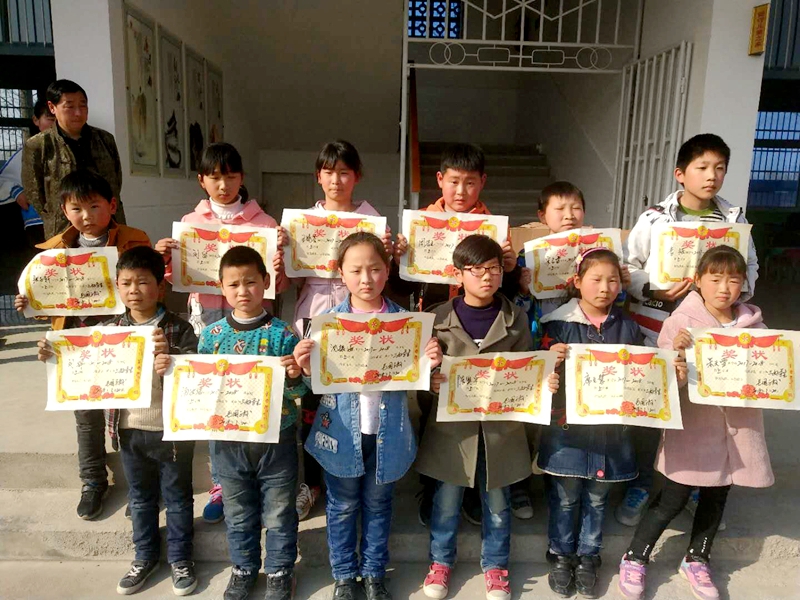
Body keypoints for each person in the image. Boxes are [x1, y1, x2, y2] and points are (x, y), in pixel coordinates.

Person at [36, 246, 199, 595]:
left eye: (143, 282)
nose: (133, 290)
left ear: (161, 287)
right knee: (139, 499)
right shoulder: (108, 331)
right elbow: (80, 361)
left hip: (171, 430)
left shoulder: (179, 328)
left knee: (178, 499)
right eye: (125, 283)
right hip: (127, 430)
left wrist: (172, 358)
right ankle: (144, 556)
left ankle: (180, 558)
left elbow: (196, 371)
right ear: (117, 287)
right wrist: (54, 353)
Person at [617, 246, 774, 600]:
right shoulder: (680, 322)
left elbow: (771, 376)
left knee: (717, 497)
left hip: (738, 431)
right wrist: (676, 353)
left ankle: (697, 558)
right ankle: (635, 556)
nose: (724, 288)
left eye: (733, 280)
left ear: (744, 283)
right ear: (698, 281)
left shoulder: (756, 327)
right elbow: (662, 382)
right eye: (715, 279)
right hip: (694, 429)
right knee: (671, 498)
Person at [293, 232, 441, 600]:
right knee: (342, 506)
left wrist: (431, 361)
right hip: (341, 432)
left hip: (389, 432)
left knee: (378, 504)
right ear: (340, 273)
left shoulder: (407, 324)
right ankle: (345, 575)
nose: (366, 279)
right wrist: (305, 366)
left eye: (375, 269)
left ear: (387, 270)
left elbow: (421, 376)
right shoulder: (326, 323)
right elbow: (314, 382)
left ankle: (374, 572)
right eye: (356, 270)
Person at [623, 133, 758, 528]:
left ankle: (696, 484)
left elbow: (750, 266)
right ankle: (643, 485)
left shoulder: (734, 220)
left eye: (719, 168)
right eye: (702, 167)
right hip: (658, 326)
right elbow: (628, 266)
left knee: (702, 410)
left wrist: (731, 292)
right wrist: (654, 288)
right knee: (655, 405)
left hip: (713, 334)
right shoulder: (655, 218)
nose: (711, 176)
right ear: (680, 174)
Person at [416, 235, 558, 600]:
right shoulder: (437, 318)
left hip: (501, 431)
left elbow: (526, 371)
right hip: (452, 432)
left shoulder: (515, 318)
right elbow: (420, 376)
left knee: (497, 503)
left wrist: (543, 382)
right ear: (458, 275)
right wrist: (430, 381)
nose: (486, 276)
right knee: (446, 501)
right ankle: (440, 562)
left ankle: (495, 566)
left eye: (494, 268)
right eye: (476, 269)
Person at [537, 248, 684, 598]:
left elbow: (646, 371)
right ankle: (561, 554)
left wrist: (673, 370)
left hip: (612, 433)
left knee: (598, 498)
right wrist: (548, 361)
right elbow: (535, 374)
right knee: (566, 497)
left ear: (622, 284)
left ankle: (589, 555)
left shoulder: (628, 327)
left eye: (613, 280)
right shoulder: (556, 325)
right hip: (567, 432)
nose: (605, 288)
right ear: (577, 282)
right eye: (596, 280)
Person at [156, 142, 288, 524]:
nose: (223, 185)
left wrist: (283, 261)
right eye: (214, 177)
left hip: (255, 324)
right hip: (208, 321)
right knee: (215, 396)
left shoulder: (265, 225)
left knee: (252, 392)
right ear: (202, 180)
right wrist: (165, 258)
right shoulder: (190, 222)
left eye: (230, 176)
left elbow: (276, 283)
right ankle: (221, 482)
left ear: (241, 177)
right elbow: (176, 279)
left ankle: (259, 476)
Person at [391, 143, 518, 528]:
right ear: (439, 180)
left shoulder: (495, 229)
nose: (461, 191)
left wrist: (510, 266)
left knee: (479, 413)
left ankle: (474, 491)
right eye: (454, 182)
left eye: (470, 183)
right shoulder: (421, 225)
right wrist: (398, 258)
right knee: (432, 408)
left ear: (483, 183)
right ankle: (433, 485)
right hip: (438, 326)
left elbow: (507, 288)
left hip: (482, 331)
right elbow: (400, 285)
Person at [15, 169, 150, 520]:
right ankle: (92, 481)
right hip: (76, 346)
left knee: (129, 414)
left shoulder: (134, 241)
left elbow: (149, 285)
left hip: (122, 340)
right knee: (86, 418)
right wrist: (30, 303)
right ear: (64, 210)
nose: (86, 216)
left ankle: (140, 485)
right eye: (76, 208)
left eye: (94, 206)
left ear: (112, 205)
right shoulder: (54, 250)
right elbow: (48, 302)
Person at [279, 140, 392, 523]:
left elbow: (384, 274)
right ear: (318, 176)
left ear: (357, 176)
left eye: (344, 172)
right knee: (315, 401)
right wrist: (281, 254)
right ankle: (312, 482)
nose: (336, 180)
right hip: (314, 312)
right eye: (329, 172)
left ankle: (354, 478)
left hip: (360, 316)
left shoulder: (372, 221)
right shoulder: (301, 222)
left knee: (358, 400)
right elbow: (284, 281)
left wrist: (396, 252)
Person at [198, 246, 307, 600]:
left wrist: (295, 375)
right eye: (233, 284)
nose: (243, 290)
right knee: (238, 511)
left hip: (277, 439)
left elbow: (300, 390)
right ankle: (243, 567)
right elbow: (199, 388)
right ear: (221, 287)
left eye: (250, 282)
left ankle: (279, 570)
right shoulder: (211, 336)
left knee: (279, 511)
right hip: (228, 443)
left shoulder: (283, 334)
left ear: (266, 282)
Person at [21, 79, 126, 238]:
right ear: (52, 107)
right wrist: (58, 213)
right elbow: (34, 192)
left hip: (109, 224)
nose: (78, 113)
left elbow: (116, 181)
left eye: (82, 106)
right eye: (69, 106)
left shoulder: (105, 139)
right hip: (63, 228)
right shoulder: (38, 145)